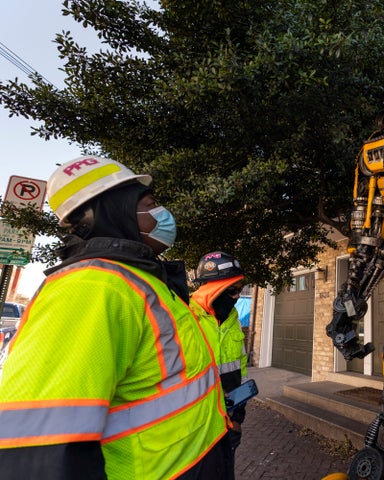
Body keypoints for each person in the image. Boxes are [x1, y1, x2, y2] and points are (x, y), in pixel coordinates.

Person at [0, 156, 230, 480]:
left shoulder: (140, 280)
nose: (161, 215)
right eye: (150, 204)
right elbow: (40, 453)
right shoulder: (90, 288)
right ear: (111, 211)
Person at [189, 252, 249, 457]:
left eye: (240, 290)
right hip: (193, 429)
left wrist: (238, 417)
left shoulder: (233, 320)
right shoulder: (185, 318)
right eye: (232, 290)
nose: (237, 296)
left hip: (228, 423)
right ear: (213, 289)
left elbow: (239, 369)